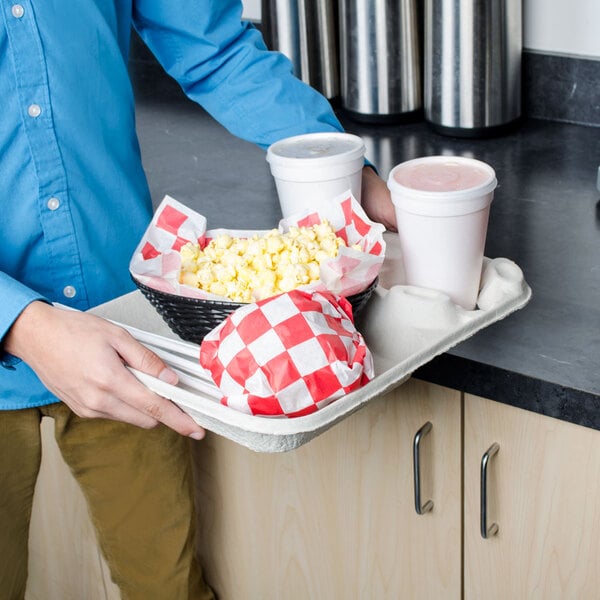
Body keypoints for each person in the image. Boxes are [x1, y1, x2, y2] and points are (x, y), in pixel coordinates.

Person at [0, 1, 396, 598]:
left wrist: (339, 170)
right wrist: (23, 324)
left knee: (168, 586)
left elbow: (217, 50)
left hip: (128, 331)